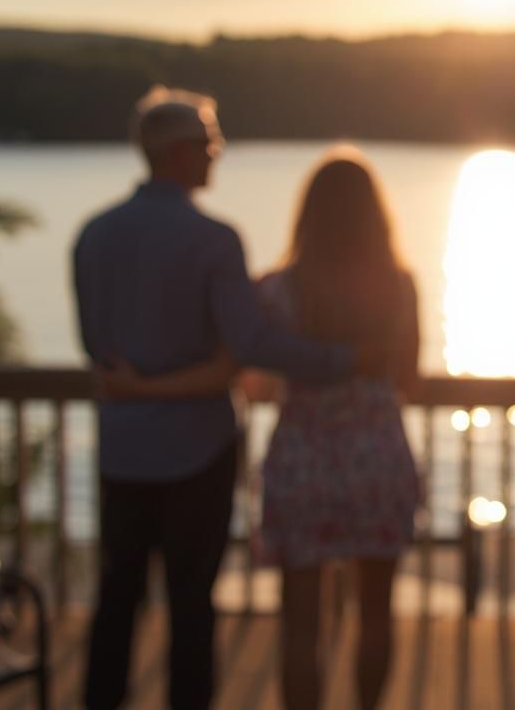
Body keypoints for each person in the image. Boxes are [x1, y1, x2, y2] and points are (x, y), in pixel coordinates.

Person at [73, 87, 368, 710]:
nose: (217, 156)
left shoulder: (94, 236)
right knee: (190, 606)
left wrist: (140, 387)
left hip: (121, 450)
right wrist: (344, 359)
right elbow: (251, 342)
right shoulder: (214, 240)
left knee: (116, 598)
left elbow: (96, 347)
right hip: (197, 452)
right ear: (180, 154)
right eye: (210, 144)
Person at [106, 147, 421, 710]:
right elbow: (409, 379)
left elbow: (248, 380)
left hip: (302, 458)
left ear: (308, 214)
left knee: (300, 622)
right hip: (377, 455)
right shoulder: (399, 286)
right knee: (376, 613)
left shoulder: (275, 290)